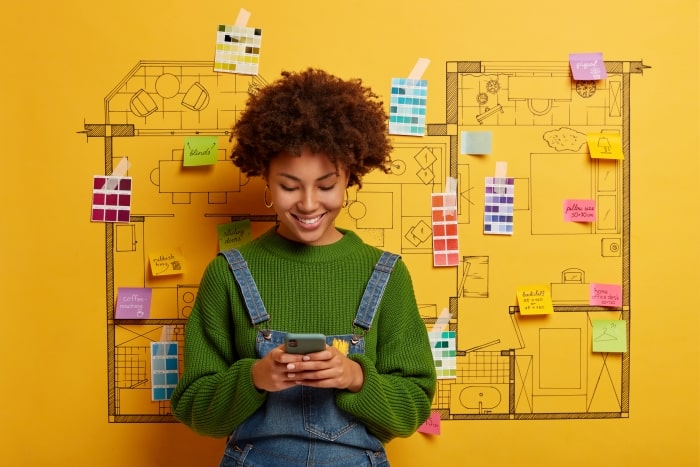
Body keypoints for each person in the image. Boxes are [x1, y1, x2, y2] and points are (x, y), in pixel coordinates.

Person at [171, 68, 436, 467]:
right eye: (290, 186)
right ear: (265, 176)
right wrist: (256, 378)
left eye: (327, 186)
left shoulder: (386, 273)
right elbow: (194, 407)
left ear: (350, 175)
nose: (309, 204)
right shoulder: (228, 272)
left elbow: (413, 407)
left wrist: (354, 377)